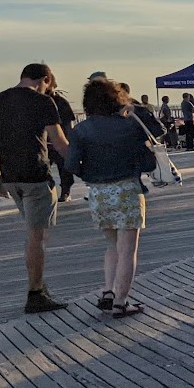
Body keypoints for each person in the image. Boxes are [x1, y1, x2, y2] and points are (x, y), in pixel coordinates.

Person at [0, 63, 71, 313]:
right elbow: (60, 143)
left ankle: (39, 284)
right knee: (36, 237)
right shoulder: (43, 102)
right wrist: (81, 167)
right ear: (45, 79)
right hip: (37, 176)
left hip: (10, 179)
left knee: (32, 233)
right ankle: (35, 294)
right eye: (48, 86)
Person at [66, 77, 154, 318]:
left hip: (98, 193)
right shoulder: (128, 126)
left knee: (112, 245)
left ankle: (108, 291)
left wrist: (92, 175)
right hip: (127, 188)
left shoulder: (81, 130)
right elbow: (159, 132)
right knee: (128, 249)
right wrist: (136, 109)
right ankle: (121, 302)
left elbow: (71, 164)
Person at [46, 79, 77, 203]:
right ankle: (48, 191)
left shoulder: (60, 102)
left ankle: (65, 191)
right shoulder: (36, 101)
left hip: (60, 140)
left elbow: (69, 124)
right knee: (43, 169)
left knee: (64, 169)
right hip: (44, 143)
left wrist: (70, 141)